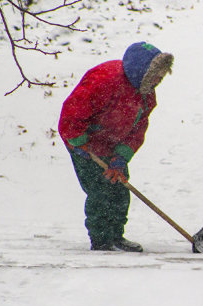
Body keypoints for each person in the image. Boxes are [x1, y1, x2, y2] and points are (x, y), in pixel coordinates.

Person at [58, 42, 174, 252]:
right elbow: (72, 113)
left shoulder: (146, 95)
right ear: (142, 71)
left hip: (112, 145)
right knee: (100, 191)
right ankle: (101, 241)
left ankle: (116, 237)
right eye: (156, 76)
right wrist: (79, 142)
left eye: (161, 77)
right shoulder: (105, 80)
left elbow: (138, 130)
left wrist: (120, 159)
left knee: (120, 190)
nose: (158, 81)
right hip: (85, 144)